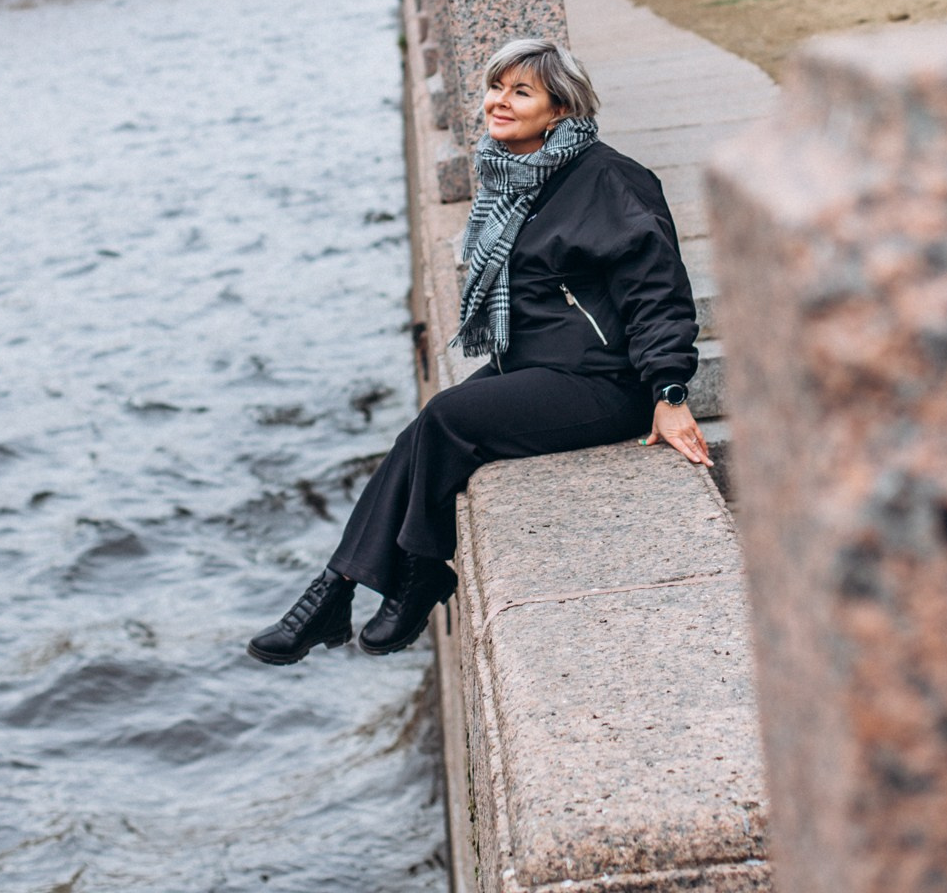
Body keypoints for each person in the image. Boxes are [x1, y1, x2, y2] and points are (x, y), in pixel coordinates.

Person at [248, 37, 708, 665]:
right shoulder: (508, 175)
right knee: (423, 432)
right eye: (497, 86)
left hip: (608, 381)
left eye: (522, 91)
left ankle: (405, 578)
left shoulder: (609, 179)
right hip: (543, 365)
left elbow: (657, 290)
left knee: (445, 418)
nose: (500, 101)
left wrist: (670, 392)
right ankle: (341, 588)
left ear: (559, 111)